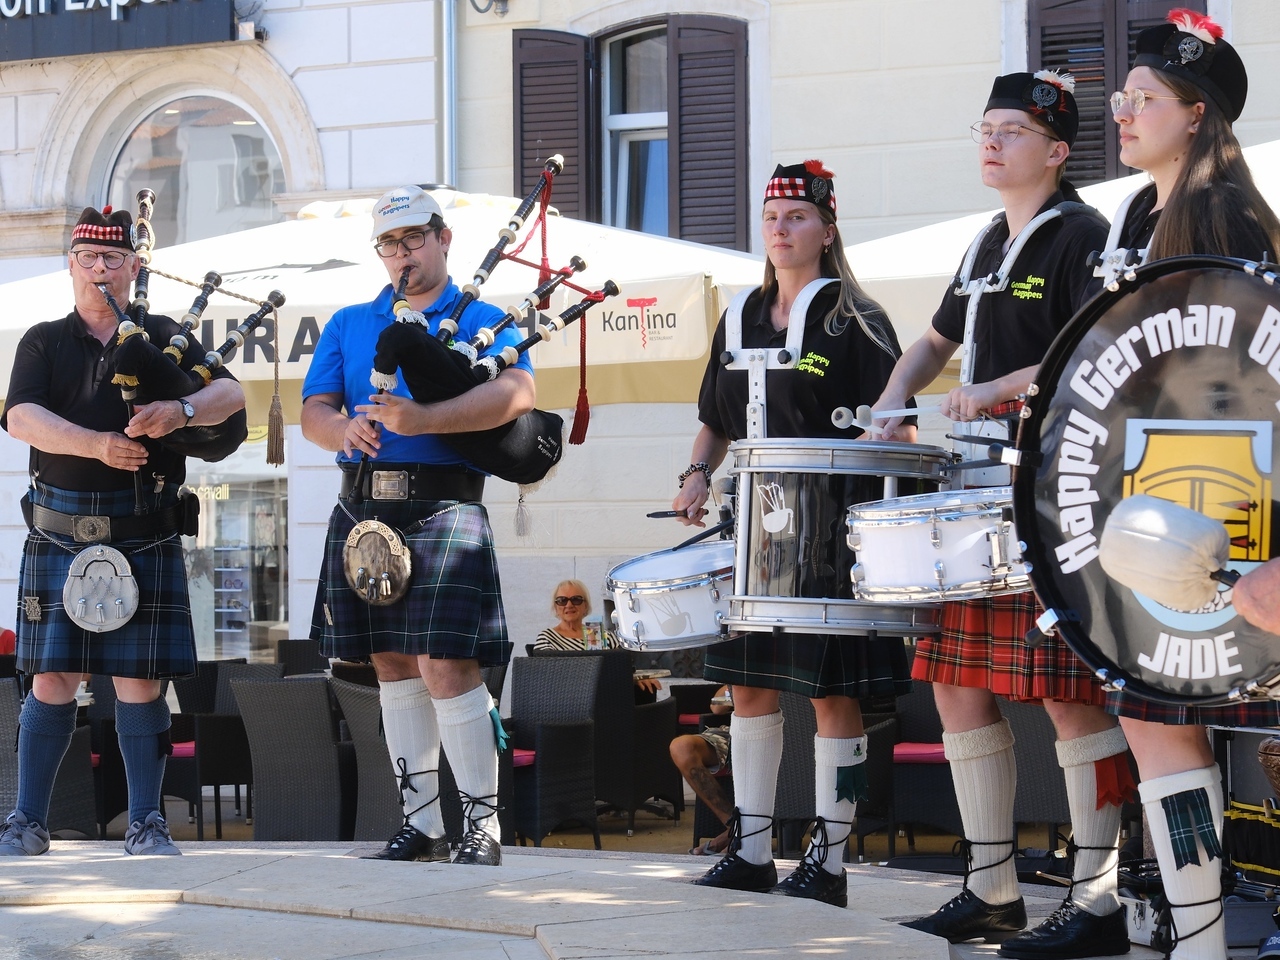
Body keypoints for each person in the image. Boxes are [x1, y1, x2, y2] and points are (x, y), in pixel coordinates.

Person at [873, 74, 1137, 958]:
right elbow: (935, 337)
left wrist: (994, 390)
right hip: (974, 492)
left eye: (1012, 130)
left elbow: (1097, 342)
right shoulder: (989, 237)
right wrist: (896, 395)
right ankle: (991, 887)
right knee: (953, 681)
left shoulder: (1083, 235)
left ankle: (1098, 898)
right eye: (984, 128)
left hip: (1053, 489)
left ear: (1057, 150)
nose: (990, 143)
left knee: (1068, 699)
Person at [670, 160, 913, 907]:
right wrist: (695, 473)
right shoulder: (737, 312)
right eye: (773, 217)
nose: (782, 228)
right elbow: (716, 410)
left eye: (798, 216)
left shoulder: (857, 318)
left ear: (827, 229)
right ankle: (749, 851)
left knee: (830, 696)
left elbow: (896, 420)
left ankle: (830, 861)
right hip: (751, 523)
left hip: (833, 525)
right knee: (747, 688)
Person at [1094, 12, 1280, 960]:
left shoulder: (1226, 214)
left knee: (1238, 715)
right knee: (1151, 709)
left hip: (1232, 498)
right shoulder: (1144, 213)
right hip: (1171, 496)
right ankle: (1198, 939)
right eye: (1121, 98)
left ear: (1197, 114)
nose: (1121, 114)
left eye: (1143, 101)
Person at [0, 206, 246, 856]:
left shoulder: (164, 335)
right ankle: (26, 822)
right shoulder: (44, 341)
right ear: (72, 264)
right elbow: (21, 417)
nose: (99, 268)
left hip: (144, 532)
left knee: (140, 683)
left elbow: (235, 395)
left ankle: (147, 823)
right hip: (57, 533)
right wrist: (98, 446)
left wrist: (180, 408)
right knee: (52, 678)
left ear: (135, 267)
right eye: (88, 257)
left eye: (112, 258)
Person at [302, 186, 534, 867]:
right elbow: (314, 410)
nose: (401, 254)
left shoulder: (483, 317)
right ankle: (422, 823)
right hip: (362, 509)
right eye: (389, 243)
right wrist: (343, 428)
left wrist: (426, 420)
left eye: (413, 239)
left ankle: (482, 830)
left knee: (447, 665)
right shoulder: (350, 321)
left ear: (442, 239)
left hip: (443, 505)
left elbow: (518, 393)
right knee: (390, 664)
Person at [532, 579, 663, 698]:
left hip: (606, 698)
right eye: (562, 600)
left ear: (585, 606)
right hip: (566, 701)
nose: (569, 605)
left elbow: (623, 667)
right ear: (556, 607)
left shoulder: (598, 634)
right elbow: (546, 678)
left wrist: (637, 678)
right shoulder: (547, 637)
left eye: (576, 599)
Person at [669, 685, 734, 856]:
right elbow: (717, 708)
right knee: (682, 747)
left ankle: (740, 835)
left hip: (789, 736)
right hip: (738, 732)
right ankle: (735, 828)